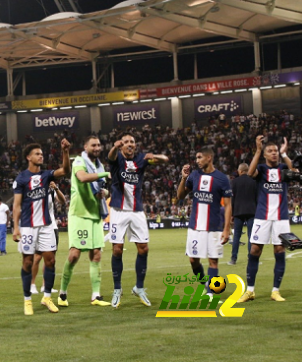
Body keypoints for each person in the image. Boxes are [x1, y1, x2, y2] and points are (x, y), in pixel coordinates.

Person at [107, 132, 169, 308]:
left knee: (143, 248)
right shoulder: (116, 158)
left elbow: (165, 159)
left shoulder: (142, 159)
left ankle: (139, 288)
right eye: (125, 142)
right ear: (121, 145)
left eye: (131, 142)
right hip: (118, 210)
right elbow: (110, 156)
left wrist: (154, 156)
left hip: (136, 210)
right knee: (117, 250)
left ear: (135, 145)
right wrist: (114, 146)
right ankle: (117, 289)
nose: (129, 144)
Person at [13, 138, 70, 315]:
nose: (41, 156)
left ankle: (46, 297)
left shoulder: (47, 175)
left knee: (50, 260)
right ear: (29, 157)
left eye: (42, 154)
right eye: (37, 154)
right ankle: (27, 300)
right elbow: (16, 205)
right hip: (28, 226)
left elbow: (66, 171)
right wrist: (15, 227)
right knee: (28, 262)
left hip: (46, 226)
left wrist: (65, 152)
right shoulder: (21, 178)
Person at [238, 136, 294, 303]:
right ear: (265, 155)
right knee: (255, 250)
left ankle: (275, 291)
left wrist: (285, 154)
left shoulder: (283, 168)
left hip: (281, 218)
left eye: (275, 151)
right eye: (270, 151)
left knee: (279, 251)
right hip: (262, 217)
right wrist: (257, 150)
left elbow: (294, 172)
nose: (274, 153)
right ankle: (250, 291)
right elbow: (249, 172)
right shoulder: (261, 169)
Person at [58, 135, 111, 307]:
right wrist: (106, 173)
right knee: (74, 255)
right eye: (93, 145)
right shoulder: (79, 161)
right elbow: (82, 178)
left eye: (98, 145)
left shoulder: (99, 165)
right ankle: (62, 294)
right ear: (86, 147)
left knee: (96, 254)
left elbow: (102, 188)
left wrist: (105, 193)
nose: (97, 148)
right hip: (79, 214)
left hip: (95, 214)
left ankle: (96, 295)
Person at [177, 148, 232, 298]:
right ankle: (205, 283)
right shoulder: (194, 176)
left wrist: (226, 229)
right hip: (195, 226)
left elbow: (228, 206)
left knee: (213, 261)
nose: (197, 160)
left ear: (209, 157)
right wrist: (183, 178)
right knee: (193, 260)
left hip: (214, 227)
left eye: (200, 157)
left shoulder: (221, 179)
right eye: (196, 157)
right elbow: (180, 195)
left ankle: (210, 294)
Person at [31, 181, 65, 295]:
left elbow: (62, 201)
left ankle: (45, 286)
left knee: (50, 258)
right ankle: (32, 284)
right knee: (37, 258)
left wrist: (56, 188)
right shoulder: (35, 191)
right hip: (38, 227)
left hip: (52, 227)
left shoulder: (50, 190)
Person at [228, 163, 257, 265]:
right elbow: (256, 198)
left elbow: (232, 199)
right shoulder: (253, 182)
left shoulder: (234, 182)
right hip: (251, 211)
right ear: (248, 170)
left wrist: (231, 214)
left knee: (236, 236)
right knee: (251, 236)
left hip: (238, 212)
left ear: (240, 171)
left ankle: (233, 259)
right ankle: (251, 258)